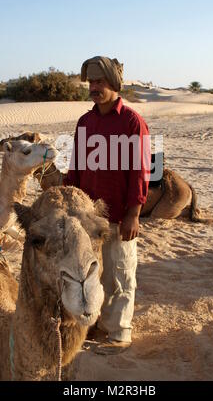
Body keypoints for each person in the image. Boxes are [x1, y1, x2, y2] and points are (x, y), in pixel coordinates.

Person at [64, 56, 150, 354]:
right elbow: (75, 166)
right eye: (91, 82)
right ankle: (99, 325)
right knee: (93, 274)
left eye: (100, 82)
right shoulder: (85, 122)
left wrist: (134, 213)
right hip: (88, 218)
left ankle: (120, 333)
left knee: (121, 271)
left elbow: (141, 172)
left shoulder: (132, 121)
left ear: (113, 84)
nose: (94, 88)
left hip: (119, 215)